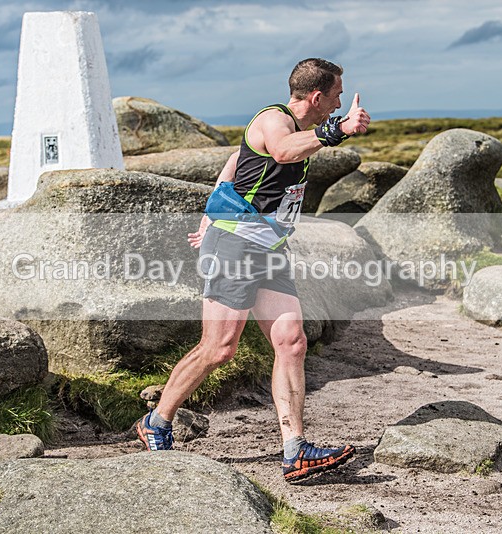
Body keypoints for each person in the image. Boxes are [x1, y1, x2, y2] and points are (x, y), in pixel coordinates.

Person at [135, 58, 370, 482]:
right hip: (236, 245)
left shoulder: (296, 129)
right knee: (220, 349)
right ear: (317, 97)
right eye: (336, 95)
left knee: (292, 341)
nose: (338, 103)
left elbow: (235, 158)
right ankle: (156, 422)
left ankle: (295, 450)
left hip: (269, 247)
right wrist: (338, 131)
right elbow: (279, 151)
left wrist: (212, 207)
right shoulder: (273, 121)